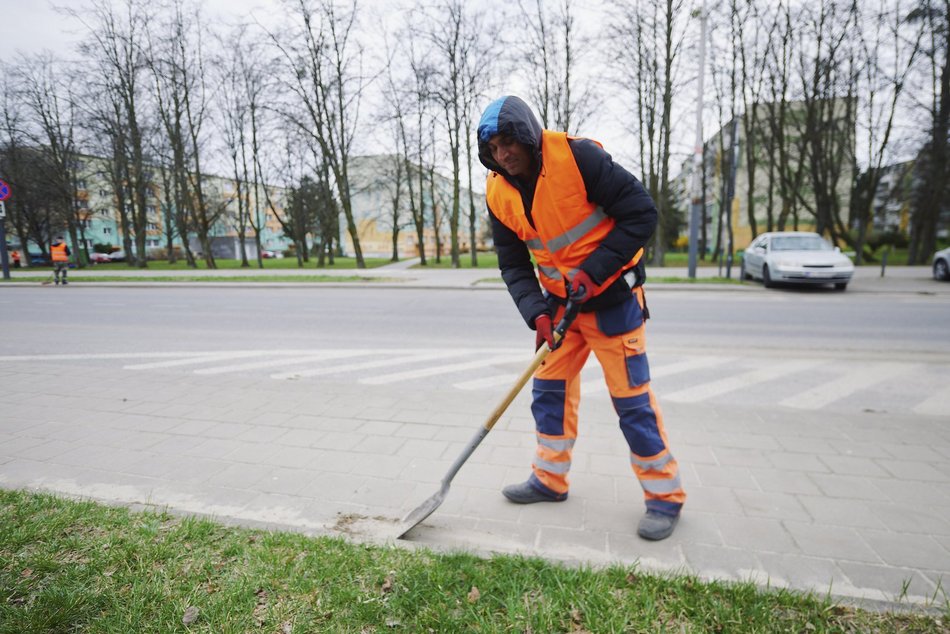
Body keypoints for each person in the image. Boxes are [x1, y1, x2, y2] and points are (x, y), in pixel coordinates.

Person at [476, 95, 685, 541]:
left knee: (632, 404)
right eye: (493, 148)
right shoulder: (497, 192)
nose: (503, 154)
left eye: (508, 141)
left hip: (613, 303)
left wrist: (594, 272)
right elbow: (513, 263)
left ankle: (665, 497)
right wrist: (536, 314)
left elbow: (641, 213)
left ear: (528, 136)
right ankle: (549, 480)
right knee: (547, 392)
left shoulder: (578, 158)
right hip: (559, 310)